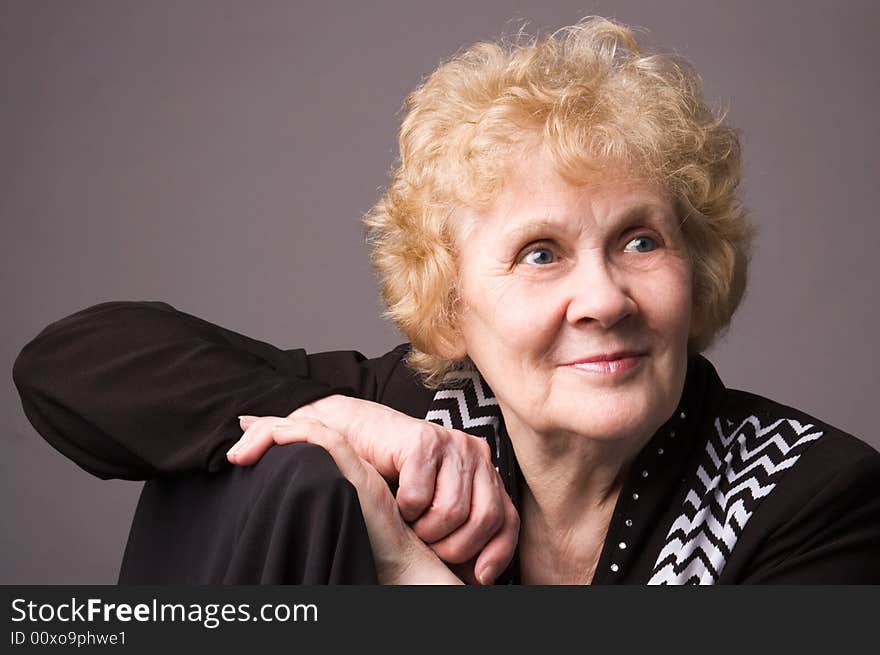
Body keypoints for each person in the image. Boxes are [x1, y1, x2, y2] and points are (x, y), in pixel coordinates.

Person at [13, 17, 880, 585]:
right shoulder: (428, 416)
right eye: (541, 253)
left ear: (697, 264)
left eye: (641, 240)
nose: (604, 298)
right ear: (456, 307)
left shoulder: (817, 497)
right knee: (274, 475)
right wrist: (357, 422)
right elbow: (68, 366)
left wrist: (409, 574)